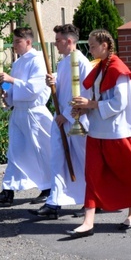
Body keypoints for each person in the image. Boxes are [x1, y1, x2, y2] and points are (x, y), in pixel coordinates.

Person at [67, 29, 131, 239]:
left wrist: (91, 104)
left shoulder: (118, 69)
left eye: (93, 45)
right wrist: (83, 109)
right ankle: (88, 221)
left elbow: (119, 103)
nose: (90, 48)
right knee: (93, 176)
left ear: (104, 45)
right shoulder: (100, 67)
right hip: (97, 132)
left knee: (127, 174)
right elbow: (97, 98)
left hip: (117, 132)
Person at [0, 27, 53, 206]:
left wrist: (11, 80)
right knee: (15, 152)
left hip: (34, 113)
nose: (13, 45)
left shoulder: (38, 60)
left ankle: (49, 188)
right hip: (19, 113)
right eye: (13, 41)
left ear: (28, 42)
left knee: (41, 151)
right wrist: (6, 95)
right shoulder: (18, 62)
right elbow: (17, 90)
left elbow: (34, 89)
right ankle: (8, 191)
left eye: (17, 42)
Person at [31, 24, 93, 220]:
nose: (55, 44)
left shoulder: (82, 62)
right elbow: (64, 84)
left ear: (68, 41)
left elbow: (85, 92)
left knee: (83, 163)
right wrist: (53, 81)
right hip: (61, 121)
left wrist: (66, 114)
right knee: (57, 161)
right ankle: (53, 203)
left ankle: (91, 200)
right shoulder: (63, 62)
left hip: (77, 121)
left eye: (58, 40)